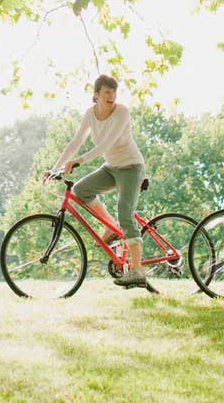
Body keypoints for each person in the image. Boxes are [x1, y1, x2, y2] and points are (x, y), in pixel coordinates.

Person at [46, 73, 149, 288]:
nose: (112, 97)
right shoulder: (90, 115)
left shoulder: (122, 112)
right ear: (96, 95)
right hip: (111, 168)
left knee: (125, 212)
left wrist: (79, 161)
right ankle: (111, 227)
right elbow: (75, 142)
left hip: (131, 168)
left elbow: (106, 144)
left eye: (114, 92)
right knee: (80, 190)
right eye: (107, 93)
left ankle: (138, 270)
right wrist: (54, 169)